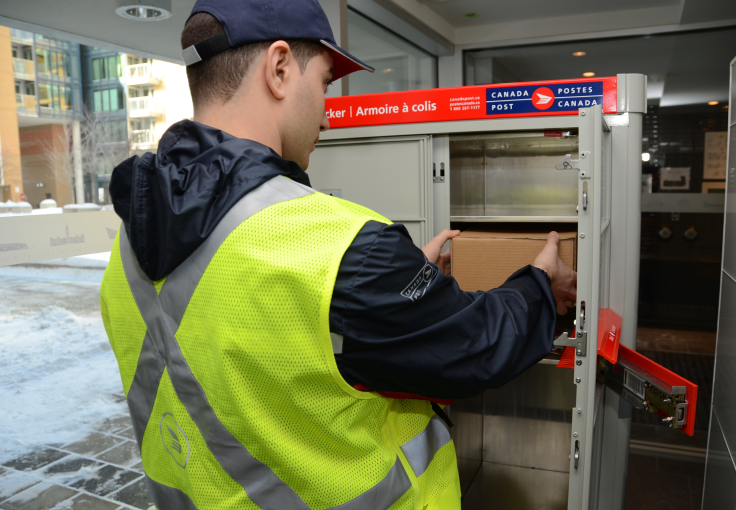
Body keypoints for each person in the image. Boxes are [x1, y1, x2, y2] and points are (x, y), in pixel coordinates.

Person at [100, 0, 577, 508]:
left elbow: (261, 356)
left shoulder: (126, 249)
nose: (328, 112)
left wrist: (393, 293)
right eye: (326, 83)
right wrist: (541, 285)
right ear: (279, 68)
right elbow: (476, 344)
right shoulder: (342, 246)